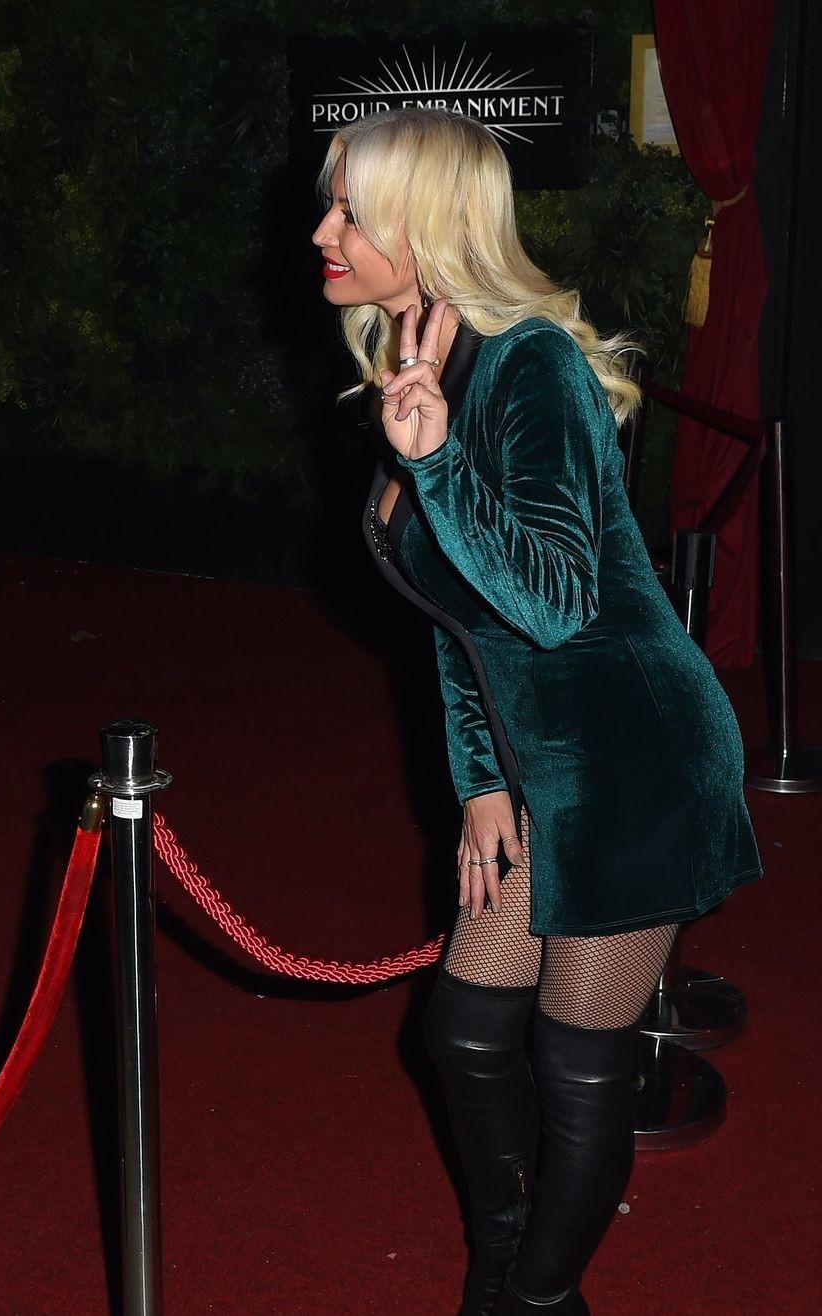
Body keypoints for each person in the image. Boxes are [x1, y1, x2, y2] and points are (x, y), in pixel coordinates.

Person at [310, 109, 760, 1315]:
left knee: (575, 1060)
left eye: (350, 209)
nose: (323, 231)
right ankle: (505, 1264)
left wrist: (438, 465)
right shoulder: (425, 361)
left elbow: (555, 603)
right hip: (537, 763)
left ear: (425, 223)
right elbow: (460, 617)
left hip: (634, 758)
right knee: (463, 1030)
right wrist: (478, 779)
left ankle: (540, 1295)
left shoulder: (531, 366)